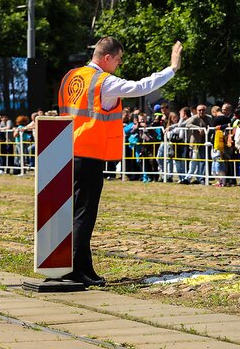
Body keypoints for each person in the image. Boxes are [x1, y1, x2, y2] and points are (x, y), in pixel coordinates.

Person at [58, 36, 182, 287]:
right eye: (118, 60)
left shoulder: (71, 76)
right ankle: (73, 268)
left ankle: (83, 267)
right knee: (84, 214)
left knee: (78, 212)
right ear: (106, 58)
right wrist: (172, 68)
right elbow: (140, 87)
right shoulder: (103, 81)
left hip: (66, 150)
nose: (119, 65)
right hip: (89, 152)